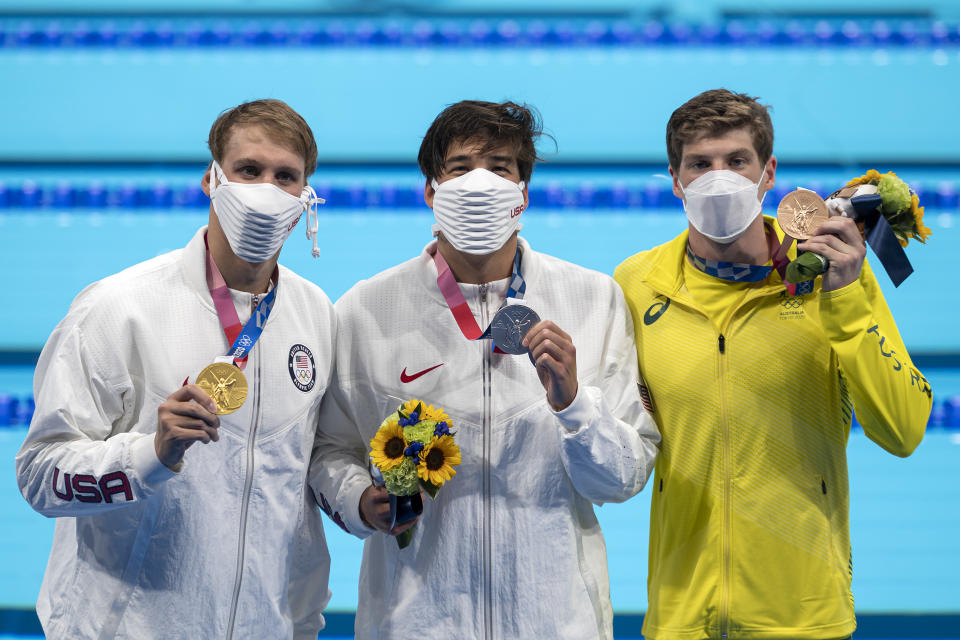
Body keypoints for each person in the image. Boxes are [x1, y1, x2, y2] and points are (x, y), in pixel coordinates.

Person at [309, 100, 660, 639]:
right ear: (431, 190)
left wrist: (573, 404)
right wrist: (359, 500)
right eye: (460, 167)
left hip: (556, 623)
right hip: (415, 624)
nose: (480, 183)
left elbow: (620, 481)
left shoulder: (592, 299)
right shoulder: (365, 309)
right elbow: (329, 449)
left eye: (500, 168)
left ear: (523, 195)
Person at [613, 88, 933, 639]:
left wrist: (847, 300)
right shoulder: (638, 284)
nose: (720, 177)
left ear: (768, 173)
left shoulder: (835, 278)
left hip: (803, 615)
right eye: (700, 164)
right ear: (675, 178)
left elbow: (904, 431)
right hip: (682, 617)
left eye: (737, 161)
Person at [16, 99, 336, 639]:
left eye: (286, 177)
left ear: (306, 199)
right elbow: (39, 474)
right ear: (212, 180)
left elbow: (298, 489)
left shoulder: (317, 315)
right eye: (248, 170)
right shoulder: (119, 307)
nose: (266, 190)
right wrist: (151, 454)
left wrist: (302, 623)